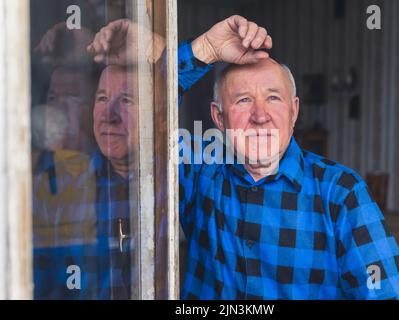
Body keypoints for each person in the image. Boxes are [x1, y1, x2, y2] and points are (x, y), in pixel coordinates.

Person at [87, 15, 399, 300]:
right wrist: (206, 50)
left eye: (273, 98)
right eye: (243, 101)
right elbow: (142, 128)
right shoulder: (200, 173)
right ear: (218, 118)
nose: (260, 116)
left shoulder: (340, 192)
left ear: (294, 111)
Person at [33, 15, 271, 299]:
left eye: (128, 100)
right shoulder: (64, 184)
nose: (110, 115)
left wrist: (203, 48)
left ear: (154, 115)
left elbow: (169, 96)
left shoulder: (184, 180)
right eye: (102, 99)